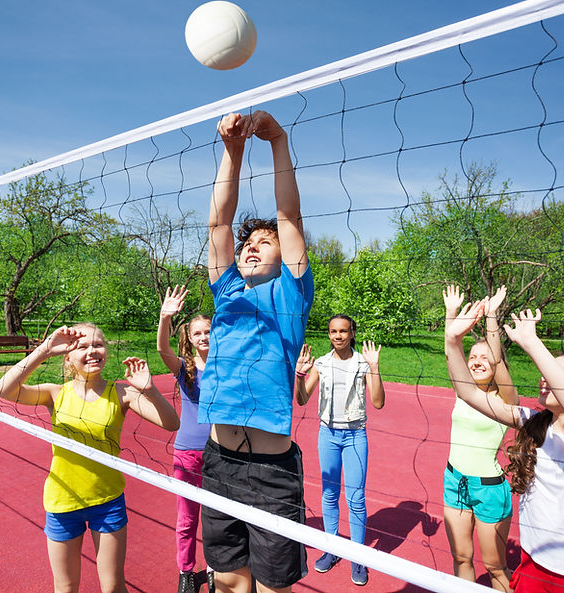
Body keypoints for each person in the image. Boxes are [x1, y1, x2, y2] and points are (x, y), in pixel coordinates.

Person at [198, 110, 314, 593]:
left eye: (265, 243)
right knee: (226, 581)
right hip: (219, 459)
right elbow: (219, 221)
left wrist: (277, 140)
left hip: (271, 471)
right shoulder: (225, 292)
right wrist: (233, 149)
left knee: (270, 588)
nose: (251, 246)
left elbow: (289, 215)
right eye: (249, 241)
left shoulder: (291, 294)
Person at [444, 302, 564, 593]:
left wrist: (532, 343)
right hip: (534, 568)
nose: (545, 375)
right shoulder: (534, 422)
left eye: (557, 372)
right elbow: (467, 392)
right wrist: (452, 341)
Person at [0, 323, 180, 593]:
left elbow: (172, 423)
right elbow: (3, 390)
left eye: (98, 345)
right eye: (83, 346)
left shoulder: (121, 393)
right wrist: (46, 350)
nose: (92, 351)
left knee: (113, 586)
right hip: (63, 500)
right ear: (68, 356)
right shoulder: (55, 393)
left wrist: (149, 389)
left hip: (107, 501)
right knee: (66, 587)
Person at [294, 314, 385, 586]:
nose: (338, 336)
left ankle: (357, 557)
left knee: (356, 498)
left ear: (352, 332)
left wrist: (375, 367)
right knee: (329, 493)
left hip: (355, 435)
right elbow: (301, 399)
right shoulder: (320, 364)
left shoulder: (363, 363)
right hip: (328, 435)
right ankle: (331, 549)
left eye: (343, 331)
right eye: (333, 331)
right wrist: (300, 375)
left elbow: (378, 402)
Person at [441, 286, 517, 592]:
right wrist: (450, 313)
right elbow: (452, 348)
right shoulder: (464, 392)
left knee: (495, 567)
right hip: (453, 481)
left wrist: (491, 317)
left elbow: (496, 360)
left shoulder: (505, 401)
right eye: (473, 356)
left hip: (489, 489)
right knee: (461, 558)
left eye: (484, 357)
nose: (476, 361)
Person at [157, 285, 215, 593]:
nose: (204, 337)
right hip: (189, 453)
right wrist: (165, 317)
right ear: (189, 338)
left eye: (209, 331)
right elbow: (162, 351)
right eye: (198, 333)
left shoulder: (225, 366)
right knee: (188, 518)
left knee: (217, 518)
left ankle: (215, 568)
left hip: (222, 454)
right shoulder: (185, 367)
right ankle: (186, 572)